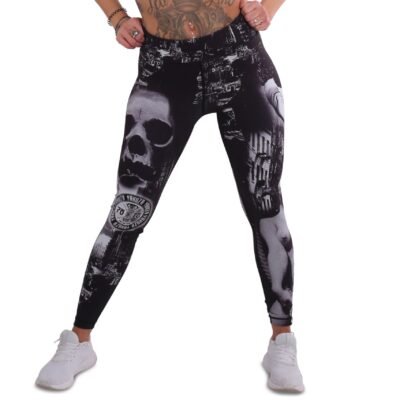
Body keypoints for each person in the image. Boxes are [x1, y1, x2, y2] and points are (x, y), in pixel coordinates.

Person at [35, 0, 305, 393]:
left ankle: (282, 340)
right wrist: (116, 17)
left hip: (240, 55)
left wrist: (269, 7)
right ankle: (79, 341)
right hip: (164, 66)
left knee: (264, 204)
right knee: (129, 210)